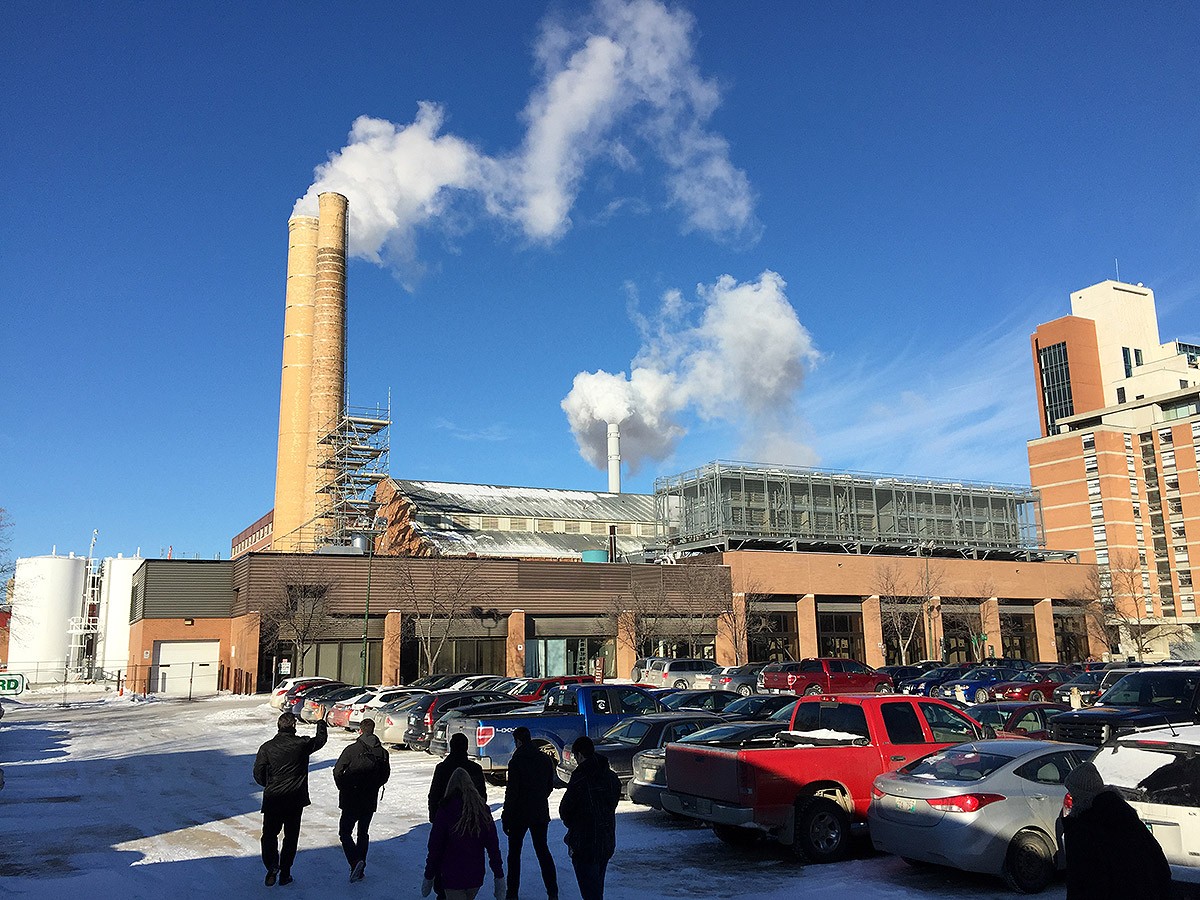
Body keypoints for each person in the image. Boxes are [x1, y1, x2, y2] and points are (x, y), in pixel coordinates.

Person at [1062, 760, 1171, 899]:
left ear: (1080, 795)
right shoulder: (1127, 819)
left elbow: (1083, 883)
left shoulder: (1084, 830)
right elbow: (1160, 865)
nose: (1070, 797)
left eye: (1072, 792)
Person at [253, 711, 328, 887]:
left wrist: (269, 784)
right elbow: (320, 740)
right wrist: (320, 721)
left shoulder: (267, 747)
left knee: (269, 835)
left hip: (274, 798)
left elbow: (258, 773)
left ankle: (272, 865)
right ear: (293, 726)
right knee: (291, 837)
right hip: (295, 799)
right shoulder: (301, 744)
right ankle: (285, 873)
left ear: (279, 726)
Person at [422, 768, 505, 900]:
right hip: (475, 876)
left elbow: (435, 847)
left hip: (451, 876)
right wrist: (499, 876)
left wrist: (429, 875)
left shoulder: (445, 810)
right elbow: (493, 845)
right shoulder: (481, 810)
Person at [558, 735, 621, 900]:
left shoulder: (580, 778)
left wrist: (575, 825)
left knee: (590, 891)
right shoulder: (610, 776)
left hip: (585, 843)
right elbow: (612, 803)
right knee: (597, 888)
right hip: (606, 840)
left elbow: (565, 811)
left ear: (579, 755)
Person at [428, 732, 488, 898]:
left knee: (444, 859)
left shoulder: (443, 768)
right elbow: (482, 797)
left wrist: (435, 819)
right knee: (469, 859)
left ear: (451, 747)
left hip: (446, 823)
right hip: (471, 823)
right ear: (466, 748)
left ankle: (443, 891)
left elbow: (434, 795)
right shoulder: (475, 769)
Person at [502, 726, 558, 900]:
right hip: (540, 811)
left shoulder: (516, 761)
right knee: (543, 851)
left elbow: (512, 792)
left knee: (514, 855)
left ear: (518, 741)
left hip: (519, 813)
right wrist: (540, 798)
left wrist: (506, 815)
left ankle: (512, 894)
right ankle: (553, 892)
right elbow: (550, 785)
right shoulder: (544, 759)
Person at [333, 717, 391, 883]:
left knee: (345, 833)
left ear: (360, 730)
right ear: (373, 730)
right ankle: (360, 866)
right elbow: (385, 776)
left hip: (351, 798)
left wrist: (343, 787)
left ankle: (355, 861)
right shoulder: (383, 753)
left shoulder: (351, 750)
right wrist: (374, 786)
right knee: (363, 833)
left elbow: (338, 771)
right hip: (370, 798)